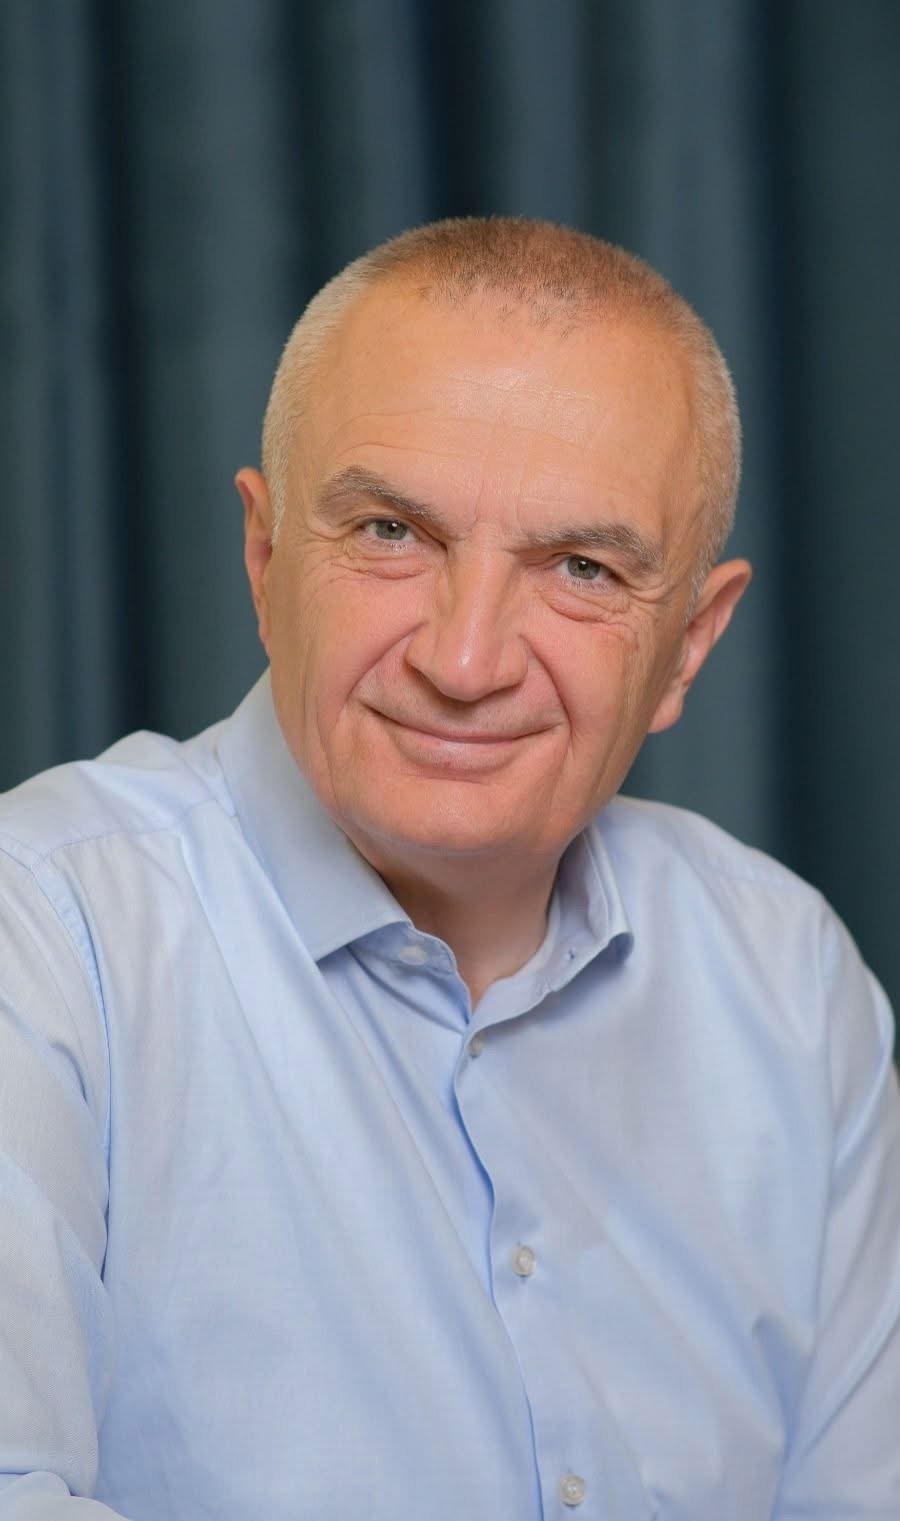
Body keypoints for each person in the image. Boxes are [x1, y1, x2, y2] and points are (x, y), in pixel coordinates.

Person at [0, 217, 898, 1521]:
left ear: (690, 647)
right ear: (265, 561)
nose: (465, 661)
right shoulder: (42, 932)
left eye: (582, 567)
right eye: (391, 531)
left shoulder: (791, 985)